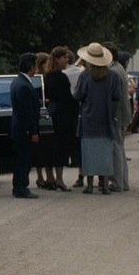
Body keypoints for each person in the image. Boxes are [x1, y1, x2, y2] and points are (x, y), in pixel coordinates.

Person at [73, 43, 121, 195]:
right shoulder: (113, 76)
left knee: (88, 153)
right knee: (105, 154)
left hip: (88, 119)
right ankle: (105, 185)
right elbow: (117, 96)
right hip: (106, 119)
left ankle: (89, 185)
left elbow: (77, 95)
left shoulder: (85, 76)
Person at [43, 46, 77, 191]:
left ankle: (50, 177)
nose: (66, 60)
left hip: (52, 112)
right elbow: (68, 98)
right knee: (61, 147)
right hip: (63, 115)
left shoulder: (47, 76)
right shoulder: (61, 77)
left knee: (51, 147)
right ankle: (60, 179)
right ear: (57, 59)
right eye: (64, 57)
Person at [10, 53, 42, 198]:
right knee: (24, 159)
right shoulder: (23, 85)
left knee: (21, 159)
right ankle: (21, 187)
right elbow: (26, 112)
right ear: (31, 66)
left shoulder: (18, 82)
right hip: (24, 131)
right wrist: (33, 131)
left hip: (19, 129)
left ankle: (19, 186)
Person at [103, 42, 131, 192]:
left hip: (117, 114)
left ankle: (117, 182)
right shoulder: (119, 68)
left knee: (115, 149)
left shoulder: (112, 71)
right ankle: (123, 181)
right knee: (120, 148)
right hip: (123, 113)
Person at [63, 51, 85, 188]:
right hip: (82, 109)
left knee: (75, 143)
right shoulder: (82, 72)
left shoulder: (64, 74)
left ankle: (80, 173)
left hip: (69, 110)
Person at [34, 52, 54, 190]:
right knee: (42, 149)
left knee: (46, 149)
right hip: (41, 115)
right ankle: (43, 176)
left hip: (44, 115)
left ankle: (47, 176)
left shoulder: (46, 78)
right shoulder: (39, 79)